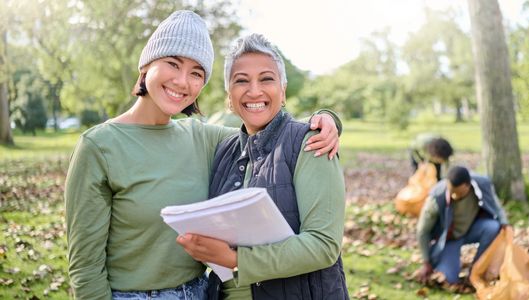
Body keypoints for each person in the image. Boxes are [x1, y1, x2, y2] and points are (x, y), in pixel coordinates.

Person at [65, 11, 341, 300]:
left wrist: (325, 120)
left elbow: (268, 121)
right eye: (173, 63)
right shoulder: (98, 146)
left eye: (196, 73)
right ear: (146, 66)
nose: (183, 82)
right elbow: (85, 268)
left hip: (200, 293)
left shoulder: (204, 138)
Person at [176, 33, 349, 299]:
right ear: (229, 96)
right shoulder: (224, 148)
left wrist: (237, 260)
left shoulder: (311, 142)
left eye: (266, 79)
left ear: (283, 89)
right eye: (241, 81)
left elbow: (324, 245)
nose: (254, 90)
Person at [415, 166, 508, 285]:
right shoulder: (437, 196)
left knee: (493, 227)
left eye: (457, 193)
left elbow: (496, 205)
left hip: (472, 229)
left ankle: (476, 269)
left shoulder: (481, 185)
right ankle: (440, 260)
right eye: (451, 191)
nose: (453, 196)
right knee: (449, 279)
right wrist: (426, 262)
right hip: (449, 238)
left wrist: (505, 223)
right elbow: (422, 231)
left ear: (468, 186)